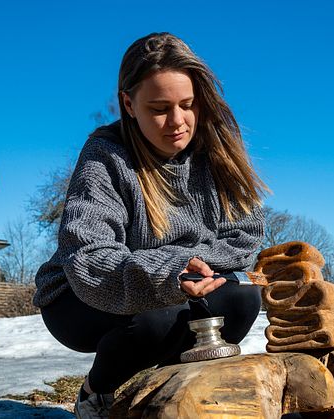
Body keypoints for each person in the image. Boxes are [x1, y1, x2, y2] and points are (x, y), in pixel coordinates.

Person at [33, 32, 268, 419]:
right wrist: (170, 270)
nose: (178, 121)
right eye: (159, 108)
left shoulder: (216, 151)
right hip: (79, 297)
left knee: (241, 300)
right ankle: (96, 392)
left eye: (188, 105)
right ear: (128, 103)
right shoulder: (106, 156)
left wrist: (196, 267)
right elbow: (88, 255)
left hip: (178, 284)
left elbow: (243, 236)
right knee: (156, 316)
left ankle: (167, 393)